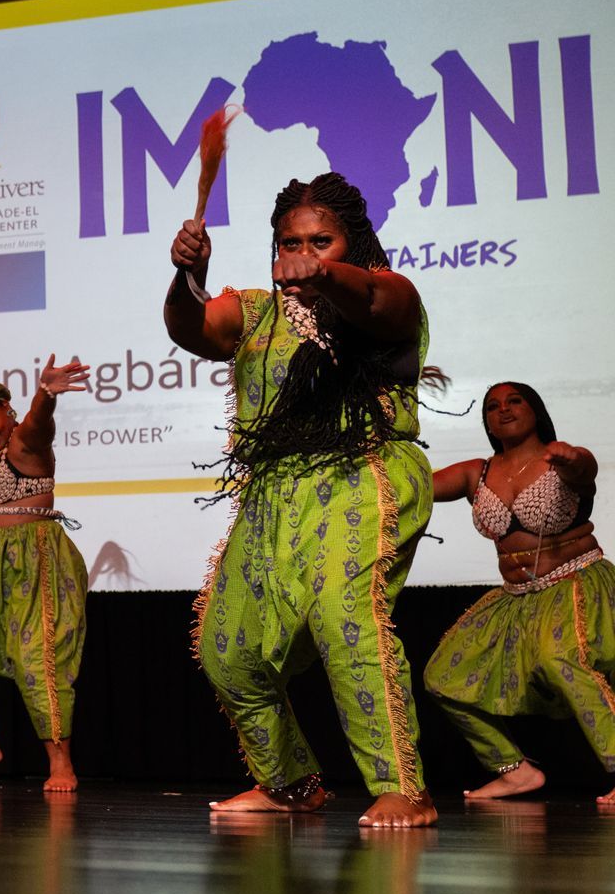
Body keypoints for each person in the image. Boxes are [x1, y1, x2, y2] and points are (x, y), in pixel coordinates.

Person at [165, 172, 437, 828]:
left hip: (361, 472)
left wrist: (324, 275)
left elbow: (378, 301)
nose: (303, 252)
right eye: (292, 242)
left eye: (321, 241)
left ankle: (404, 789)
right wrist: (189, 278)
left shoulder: (385, 292)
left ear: (352, 243)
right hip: (273, 491)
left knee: (347, 620)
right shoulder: (259, 310)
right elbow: (191, 328)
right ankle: (290, 784)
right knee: (228, 651)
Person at [421, 382, 614, 805]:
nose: (503, 410)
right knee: (443, 678)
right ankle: (514, 771)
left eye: (514, 401)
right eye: (492, 406)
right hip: (515, 598)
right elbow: (417, 486)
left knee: (562, 660)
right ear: (487, 422)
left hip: (573, 583)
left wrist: (571, 458)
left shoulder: (563, 459)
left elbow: (584, 470)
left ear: (535, 410)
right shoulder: (477, 472)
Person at [0, 358, 92, 793]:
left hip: (34, 559)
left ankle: (61, 765)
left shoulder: (25, 444)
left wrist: (45, 395)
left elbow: (39, 424)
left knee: (38, 658)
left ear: (6, 410)